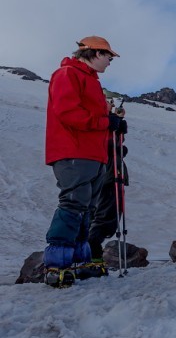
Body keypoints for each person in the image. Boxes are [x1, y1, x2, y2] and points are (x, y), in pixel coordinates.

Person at [43, 36, 124, 288]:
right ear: (94, 53)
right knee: (72, 204)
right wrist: (105, 122)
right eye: (108, 56)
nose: (111, 61)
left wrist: (113, 122)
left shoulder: (90, 81)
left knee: (86, 209)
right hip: (74, 152)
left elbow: (94, 117)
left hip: (94, 155)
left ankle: (79, 262)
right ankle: (57, 264)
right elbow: (68, 113)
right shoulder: (67, 74)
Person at [87, 94, 128, 274]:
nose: (111, 105)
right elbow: (105, 144)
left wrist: (118, 125)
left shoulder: (105, 122)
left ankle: (92, 252)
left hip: (112, 175)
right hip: (108, 175)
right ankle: (92, 253)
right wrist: (113, 122)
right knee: (105, 217)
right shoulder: (99, 122)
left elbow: (117, 145)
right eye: (108, 103)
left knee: (108, 217)